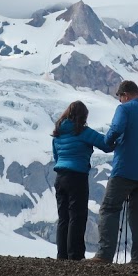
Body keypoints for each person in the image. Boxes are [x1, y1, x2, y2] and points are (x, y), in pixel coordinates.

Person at [90, 80, 138, 266]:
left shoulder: (125, 109)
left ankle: (104, 255)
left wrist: (108, 143)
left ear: (125, 95)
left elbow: (116, 129)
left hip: (124, 169)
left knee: (109, 208)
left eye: (120, 98)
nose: (120, 102)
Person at [51, 101, 111, 260]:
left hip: (60, 177)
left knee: (63, 218)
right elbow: (106, 144)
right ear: (83, 116)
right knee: (77, 216)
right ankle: (75, 255)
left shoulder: (57, 133)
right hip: (77, 177)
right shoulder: (83, 132)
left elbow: (56, 157)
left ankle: (62, 256)